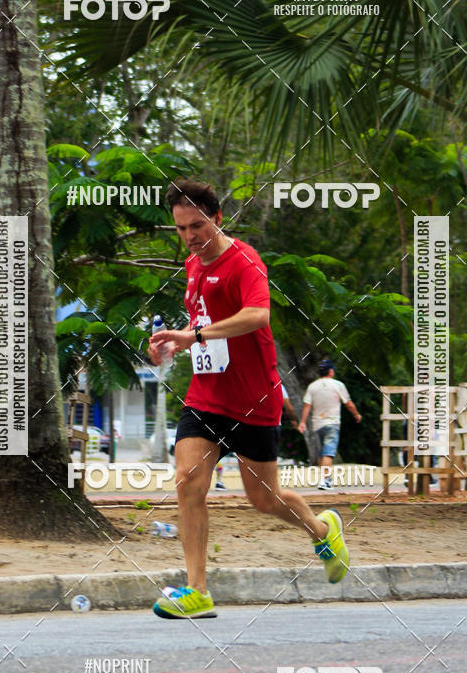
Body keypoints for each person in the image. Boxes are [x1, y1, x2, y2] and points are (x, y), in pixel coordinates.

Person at [148, 177, 349, 619]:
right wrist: (173, 344)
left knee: (264, 499)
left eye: (196, 226)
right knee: (187, 481)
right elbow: (200, 327)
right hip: (206, 396)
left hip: (254, 400)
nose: (189, 236)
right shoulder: (192, 265)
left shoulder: (245, 261)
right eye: (181, 228)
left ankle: (321, 528)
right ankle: (197, 591)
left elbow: (257, 314)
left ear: (217, 219)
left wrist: (193, 334)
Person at [298, 360, 362, 489]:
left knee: (322, 453)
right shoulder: (338, 385)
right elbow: (348, 403)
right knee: (328, 453)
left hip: (317, 424)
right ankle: (325, 481)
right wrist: (356, 414)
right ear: (331, 371)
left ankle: (324, 478)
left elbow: (306, 406)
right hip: (332, 423)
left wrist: (303, 423)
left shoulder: (312, 386)